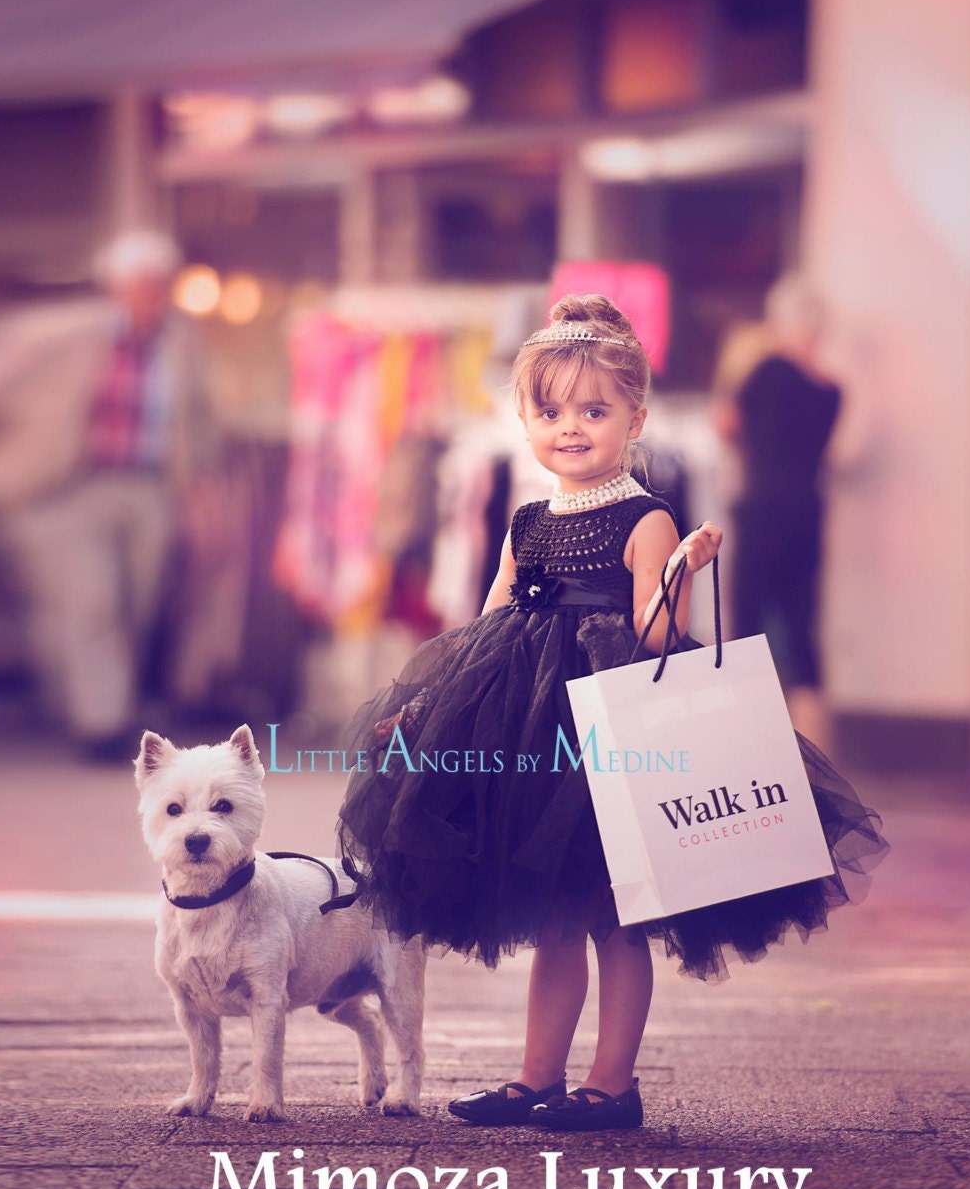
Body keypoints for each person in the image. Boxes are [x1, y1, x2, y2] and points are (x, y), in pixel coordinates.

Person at [338, 295, 886, 1131]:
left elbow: (660, 634)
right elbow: (485, 628)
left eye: (594, 411)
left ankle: (612, 1084)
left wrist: (686, 568)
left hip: (614, 736)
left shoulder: (647, 517)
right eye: (550, 411)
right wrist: (423, 709)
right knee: (558, 916)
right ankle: (536, 1076)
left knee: (618, 911)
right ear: (524, 418)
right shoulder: (527, 520)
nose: (570, 427)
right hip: (531, 735)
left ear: (635, 418)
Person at [0, 231, 219, 760]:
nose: (150, 295)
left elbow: (201, 419)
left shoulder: (180, 342)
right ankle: (103, 725)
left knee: (135, 603)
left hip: (149, 487)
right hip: (67, 486)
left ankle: (95, 703)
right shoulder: (57, 333)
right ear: (114, 286)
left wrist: (201, 487)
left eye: (159, 285)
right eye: (139, 285)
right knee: (93, 601)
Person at [711, 274, 842, 749]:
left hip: (763, 508)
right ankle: (817, 754)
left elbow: (725, 424)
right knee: (803, 627)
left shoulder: (766, 370)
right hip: (808, 511)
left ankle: (749, 743)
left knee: (748, 624)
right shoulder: (831, 390)